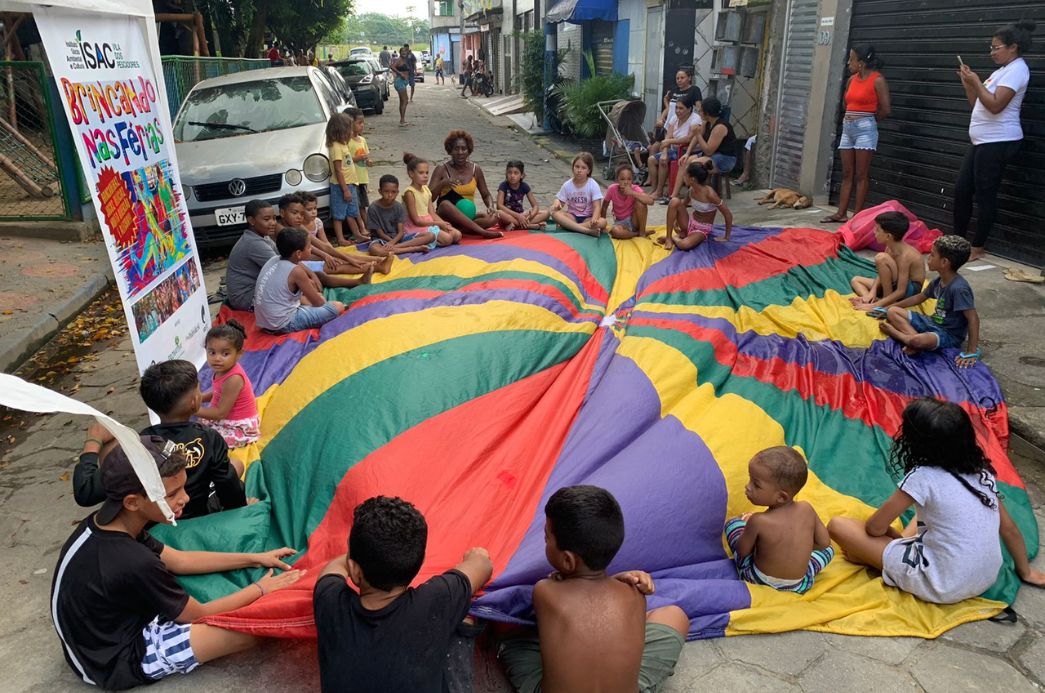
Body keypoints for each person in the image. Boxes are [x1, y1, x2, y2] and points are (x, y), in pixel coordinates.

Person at [51, 435, 302, 690]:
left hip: (97, 636)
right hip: (114, 661)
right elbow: (198, 613)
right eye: (171, 494)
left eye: (183, 487)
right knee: (251, 632)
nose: (185, 499)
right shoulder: (132, 559)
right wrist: (261, 589)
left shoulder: (112, 522)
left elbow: (179, 560)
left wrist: (254, 558)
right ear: (132, 502)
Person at [827, 398, 1045, 604]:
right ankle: (887, 554)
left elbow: (874, 528)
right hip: (984, 579)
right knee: (927, 514)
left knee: (839, 526)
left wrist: (891, 538)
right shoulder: (981, 473)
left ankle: (878, 558)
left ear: (916, 442)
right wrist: (1025, 572)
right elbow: (1010, 530)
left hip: (940, 584)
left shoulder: (922, 477)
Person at [498, 485, 689, 693]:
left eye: (546, 538)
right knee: (674, 615)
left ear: (567, 560)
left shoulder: (544, 591)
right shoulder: (634, 594)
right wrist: (619, 582)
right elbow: (594, 604)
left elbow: (580, 609)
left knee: (510, 630)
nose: (545, 541)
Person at [313, 496, 493, 692]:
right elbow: (482, 566)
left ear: (354, 570)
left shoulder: (329, 601)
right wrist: (476, 556)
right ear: (420, 562)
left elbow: (332, 569)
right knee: (463, 615)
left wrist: (362, 554)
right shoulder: (437, 600)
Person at [72, 360, 247, 518]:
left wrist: (93, 441)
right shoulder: (209, 438)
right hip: (197, 514)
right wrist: (242, 511)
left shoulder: (142, 443)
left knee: (234, 466)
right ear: (195, 401)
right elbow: (229, 488)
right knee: (236, 465)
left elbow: (85, 493)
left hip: (153, 518)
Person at [954, 21, 1034, 261]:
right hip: (982, 141)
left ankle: (978, 246)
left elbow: (996, 106)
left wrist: (977, 82)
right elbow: (977, 104)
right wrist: (969, 85)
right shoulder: (1000, 72)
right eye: (991, 47)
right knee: (962, 190)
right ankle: (957, 242)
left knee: (985, 194)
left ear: (1013, 47)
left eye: (996, 47)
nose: (992, 52)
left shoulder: (1017, 70)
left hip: (999, 140)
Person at [724, 447, 834, 594]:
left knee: (732, 524)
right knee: (829, 550)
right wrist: (798, 548)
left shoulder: (758, 521)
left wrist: (749, 531)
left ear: (781, 497)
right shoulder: (807, 509)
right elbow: (824, 543)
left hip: (758, 579)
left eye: (756, 484)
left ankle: (737, 523)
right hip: (799, 585)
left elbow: (742, 551)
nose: (747, 486)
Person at [879, 235, 979, 366]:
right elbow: (919, 298)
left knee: (918, 341)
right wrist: (888, 307)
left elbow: (973, 318)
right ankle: (913, 339)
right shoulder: (939, 281)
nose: (928, 258)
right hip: (932, 322)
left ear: (944, 262)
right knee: (893, 312)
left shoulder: (959, 289)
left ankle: (903, 337)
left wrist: (971, 351)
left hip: (948, 334)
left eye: (932, 255)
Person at [821, 45, 892, 223]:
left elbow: (885, 109)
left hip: (865, 129)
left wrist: (868, 120)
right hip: (848, 128)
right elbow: (846, 103)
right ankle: (841, 213)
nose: (848, 63)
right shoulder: (852, 80)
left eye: (851, 59)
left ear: (861, 63)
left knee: (861, 174)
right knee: (847, 173)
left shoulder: (877, 80)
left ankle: (857, 216)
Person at [253, 228, 346, 334]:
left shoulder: (273, 260)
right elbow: (318, 303)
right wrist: (320, 298)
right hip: (283, 325)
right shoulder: (296, 271)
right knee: (337, 306)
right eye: (309, 247)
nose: (311, 249)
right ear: (298, 253)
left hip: (265, 322)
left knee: (309, 297)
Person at [278, 193, 377, 285]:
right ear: (282, 213)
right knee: (335, 265)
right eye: (295, 213)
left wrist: (346, 258)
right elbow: (310, 248)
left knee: (340, 258)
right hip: (295, 263)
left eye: (301, 214)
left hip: (302, 258)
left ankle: (378, 260)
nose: (299, 217)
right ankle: (374, 268)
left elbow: (321, 245)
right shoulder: (282, 230)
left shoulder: (297, 225)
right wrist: (326, 256)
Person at [193, 321, 260, 450]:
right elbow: (218, 392)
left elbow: (220, 413)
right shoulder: (221, 369)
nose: (217, 358)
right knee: (200, 429)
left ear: (239, 354)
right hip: (224, 416)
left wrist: (193, 410)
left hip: (238, 426)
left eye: (225, 354)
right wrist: (200, 398)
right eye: (212, 352)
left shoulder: (233, 379)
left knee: (208, 441)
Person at [428, 130, 504, 239]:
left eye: (464, 149)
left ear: (469, 151)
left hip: (468, 216)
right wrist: (442, 183)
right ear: (450, 151)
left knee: (494, 217)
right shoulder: (441, 169)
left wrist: (491, 207)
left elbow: (486, 194)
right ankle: (483, 232)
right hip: (446, 216)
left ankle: (459, 230)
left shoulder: (476, 169)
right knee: (445, 204)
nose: (460, 152)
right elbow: (428, 198)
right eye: (456, 149)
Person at [299, 191, 392, 276]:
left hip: (316, 251)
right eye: (309, 209)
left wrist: (332, 252)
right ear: (301, 212)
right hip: (308, 254)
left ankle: (378, 260)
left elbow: (325, 243)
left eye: (315, 208)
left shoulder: (317, 222)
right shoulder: (299, 227)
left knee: (343, 257)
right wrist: (328, 255)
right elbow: (316, 247)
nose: (313, 212)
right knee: (340, 263)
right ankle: (375, 265)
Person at [849, 211, 926, 311]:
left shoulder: (906, 256)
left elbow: (901, 291)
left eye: (877, 230)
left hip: (909, 290)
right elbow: (882, 272)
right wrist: (872, 292)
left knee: (881, 258)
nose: (874, 232)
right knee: (856, 280)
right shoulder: (890, 247)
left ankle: (884, 301)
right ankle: (869, 299)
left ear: (888, 236)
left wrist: (875, 306)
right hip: (895, 284)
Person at [669, 97, 741, 200]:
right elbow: (695, 139)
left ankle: (696, 197)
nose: (699, 112)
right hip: (712, 156)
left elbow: (708, 151)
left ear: (707, 113)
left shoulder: (720, 127)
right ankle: (674, 196)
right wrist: (687, 153)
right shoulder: (706, 123)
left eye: (701, 110)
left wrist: (698, 134)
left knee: (695, 166)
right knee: (684, 162)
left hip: (725, 158)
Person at [664, 160, 733, 250]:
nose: (683, 178)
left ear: (692, 179)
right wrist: (676, 222)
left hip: (702, 229)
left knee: (684, 245)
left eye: (685, 175)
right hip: (690, 223)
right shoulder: (691, 190)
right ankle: (668, 238)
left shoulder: (710, 194)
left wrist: (726, 237)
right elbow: (682, 205)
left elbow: (728, 214)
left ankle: (675, 238)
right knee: (674, 201)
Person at [367, 173, 441, 256]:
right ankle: (412, 249)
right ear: (380, 191)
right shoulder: (373, 208)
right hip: (381, 239)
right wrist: (390, 242)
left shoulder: (398, 207)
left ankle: (397, 248)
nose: (390, 195)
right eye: (386, 191)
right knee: (374, 250)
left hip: (399, 238)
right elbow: (380, 233)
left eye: (393, 192)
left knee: (431, 236)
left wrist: (393, 243)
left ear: (397, 192)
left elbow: (401, 232)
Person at [647, 94, 701, 203]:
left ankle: (660, 191)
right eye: (676, 108)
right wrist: (664, 152)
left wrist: (669, 142)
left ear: (689, 109)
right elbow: (668, 137)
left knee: (664, 160)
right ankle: (655, 190)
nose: (677, 111)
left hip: (688, 151)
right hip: (675, 149)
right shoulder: (674, 118)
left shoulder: (695, 119)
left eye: (681, 108)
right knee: (652, 160)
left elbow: (689, 138)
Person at [226, 200, 279, 311]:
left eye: (274, 218)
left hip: (256, 289)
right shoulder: (253, 243)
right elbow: (282, 269)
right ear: (251, 221)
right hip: (245, 298)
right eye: (266, 219)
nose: (273, 223)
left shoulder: (263, 236)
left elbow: (283, 256)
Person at [401, 153, 461, 246]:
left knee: (457, 235)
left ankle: (433, 239)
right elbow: (417, 221)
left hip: (429, 223)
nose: (425, 176)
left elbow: (432, 213)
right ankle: (422, 240)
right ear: (411, 174)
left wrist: (443, 223)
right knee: (448, 239)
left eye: (427, 173)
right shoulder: (410, 193)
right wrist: (438, 224)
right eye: (421, 173)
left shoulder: (426, 189)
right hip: (416, 226)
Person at [327, 113, 366, 245]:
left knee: (351, 212)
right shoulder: (336, 147)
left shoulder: (343, 145)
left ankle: (357, 235)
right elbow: (338, 170)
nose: (351, 132)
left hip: (350, 184)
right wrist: (345, 190)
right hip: (340, 186)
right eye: (349, 130)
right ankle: (340, 238)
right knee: (339, 214)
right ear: (341, 131)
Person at [549, 152, 606, 237]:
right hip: (572, 217)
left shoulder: (593, 185)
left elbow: (597, 206)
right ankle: (585, 231)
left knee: (603, 222)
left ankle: (571, 227)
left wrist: (594, 219)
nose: (579, 170)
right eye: (577, 166)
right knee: (554, 213)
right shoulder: (567, 185)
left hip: (587, 219)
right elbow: (560, 202)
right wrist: (556, 203)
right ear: (573, 168)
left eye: (583, 168)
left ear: (588, 170)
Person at [604, 163, 655, 239]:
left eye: (629, 179)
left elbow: (651, 201)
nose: (626, 182)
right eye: (622, 179)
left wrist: (632, 193)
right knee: (615, 231)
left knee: (641, 203)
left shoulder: (635, 188)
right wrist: (603, 227)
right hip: (620, 223)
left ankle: (642, 232)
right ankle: (637, 234)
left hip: (634, 221)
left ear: (632, 180)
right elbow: (604, 207)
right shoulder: (612, 189)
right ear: (617, 180)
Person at [653, 67, 702, 144]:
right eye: (677, 78)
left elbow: (699, 108)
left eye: (682, 78)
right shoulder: (674, 90)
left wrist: (698, 122)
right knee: (657, 147)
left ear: (689, 78)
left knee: (670, 145)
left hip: (684, 127)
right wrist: (663, 116)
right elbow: (666, 98)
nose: (679, 80)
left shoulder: (694, 90)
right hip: (670, 123)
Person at [496, 160, 549, 230]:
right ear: (506, 173)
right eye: (509, 172)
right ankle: (529, 226)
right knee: (499, 212)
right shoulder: (503, 186)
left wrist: (531, 215)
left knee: (546, 213)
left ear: (522, 175)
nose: (512, 176)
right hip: (508, 216)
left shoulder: (524, 186)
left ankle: (519, 225)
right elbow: (499, 206)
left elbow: (535, 206)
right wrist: (517, 216)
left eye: (516, 173)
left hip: (521, 215)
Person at [346, 107, 371, 228]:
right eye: (359, 123)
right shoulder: (347, 141)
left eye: (363, 123)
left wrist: (368, 161)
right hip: (353, 179)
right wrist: (357, 158)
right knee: (356, 206)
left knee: (363, 205)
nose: (362, 125)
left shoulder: (362, 140)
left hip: (362, 178)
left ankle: (368, 226)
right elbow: (345, 160)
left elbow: (366, 156)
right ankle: (362, 227)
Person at [390, 50, 411, 125]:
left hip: (403, 82)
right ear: (400, 52)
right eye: (402, 51)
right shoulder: (399, 60)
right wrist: (400, 73)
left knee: (402, 101)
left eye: (405, 51)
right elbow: (392, 66)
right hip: (400, 81)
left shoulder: (405, 60)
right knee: (405, 100)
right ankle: (402, 120)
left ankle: (402, 120)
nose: (404, 53)